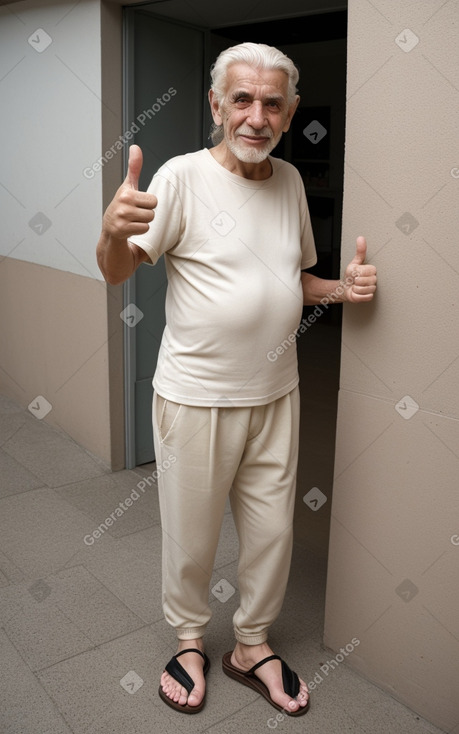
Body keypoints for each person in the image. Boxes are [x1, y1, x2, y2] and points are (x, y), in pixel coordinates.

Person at [96, 42, 377, 716]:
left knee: (273, 535)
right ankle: (190, 642)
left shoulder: (288, 183)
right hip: (195, 396)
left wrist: (340, 288)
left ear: (290, 113)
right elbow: (118, 270)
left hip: (277, 393)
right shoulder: (181, 177)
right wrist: (109, 233)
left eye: (271, 103)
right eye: (241, 100)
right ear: (216, 104)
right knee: (191, 537)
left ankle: (250, 645)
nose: (256, 116)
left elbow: (290, 280)